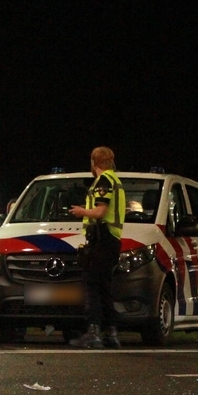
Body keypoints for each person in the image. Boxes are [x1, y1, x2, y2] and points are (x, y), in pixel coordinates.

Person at [68, 146, 125, 349]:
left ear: (94, 162)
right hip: (111, 240)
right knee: (104, 287)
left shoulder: (104, 180)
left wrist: (81, 211)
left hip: (103, 239)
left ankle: (93, 332)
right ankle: (111, 333)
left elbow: (101, 211)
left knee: (91, 284)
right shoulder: (116, 180)